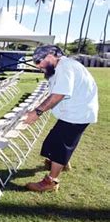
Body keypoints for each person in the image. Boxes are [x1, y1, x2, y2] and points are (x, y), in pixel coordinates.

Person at [24, 45, 98, 192]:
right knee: (54, 141)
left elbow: (59, 95)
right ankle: (61, 163)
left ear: (50, 56)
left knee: (60, 146)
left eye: (40, 63)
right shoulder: (63, 66)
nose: (39, 68)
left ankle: (51, 181)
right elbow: (55, 92)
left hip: (77, 114)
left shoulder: (65, 67)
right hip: (75, 112)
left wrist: (37, 112)